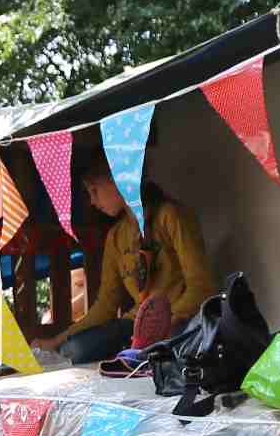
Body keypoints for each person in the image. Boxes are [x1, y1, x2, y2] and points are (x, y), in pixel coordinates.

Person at [53, 143, 213, 367]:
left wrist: (163, 326)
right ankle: (139, 350)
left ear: (118, 180)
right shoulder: (116, 236)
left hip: (179, 321)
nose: (92, 201)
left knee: (171, 350)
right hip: (134, 326)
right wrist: (57, 340)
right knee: (72, 350)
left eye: (94, 190)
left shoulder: (171, 216)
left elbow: (201, 287)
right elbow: (105, 306)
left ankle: (145, 351)